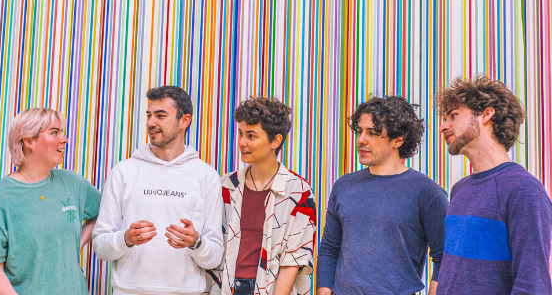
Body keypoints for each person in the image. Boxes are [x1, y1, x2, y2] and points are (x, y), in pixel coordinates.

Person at [92, 86, 223, 295]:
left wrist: (196, 242)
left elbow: (215, 256)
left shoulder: (207, 177)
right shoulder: (123, 172)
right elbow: (100, 245)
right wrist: (125, 238)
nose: (151, 123)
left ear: (184, 121)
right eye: (149, 115)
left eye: (160, 116)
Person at [316, 96, 448, 295]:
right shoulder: (344, 186)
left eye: (373, 133)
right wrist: (323, 288)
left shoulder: (427, 192)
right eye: (360, 131)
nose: (361, 139)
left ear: (398, 139)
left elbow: (445, 257)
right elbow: (329, 248)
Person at [435, 77, 552, 294]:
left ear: (487, 114)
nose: (443, 126)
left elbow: (533, 285)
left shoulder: (524, 190)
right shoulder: (459, 189)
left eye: (453, 116)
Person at [0, 108, 101, 294]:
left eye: (62, 132)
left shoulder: (73, 183)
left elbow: (104, 212)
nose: (64, 139)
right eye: (55, 132)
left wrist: (77, 243)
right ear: (29, 141)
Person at [205, 97, 316, 295]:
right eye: (240, 133)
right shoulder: (225, 186)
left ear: (276, 140)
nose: (241, 142)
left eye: (251, 136)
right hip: (223, 287)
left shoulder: (299, 192)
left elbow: (293, 260)